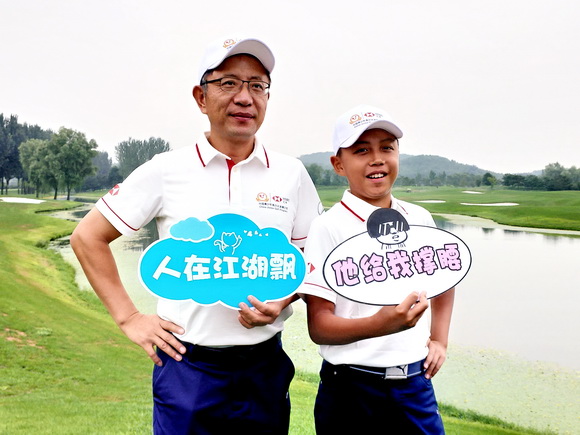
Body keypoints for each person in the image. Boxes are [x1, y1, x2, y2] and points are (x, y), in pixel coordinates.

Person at [70, 36, 321, 434]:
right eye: (229, 83)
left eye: (257, 86)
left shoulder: (291, 174)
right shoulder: (166, 169)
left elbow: (313, 260)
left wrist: (283, 298)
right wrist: (130, 317)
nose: (245, 97)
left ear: (267, 98)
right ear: (201, 97)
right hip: (188, 365)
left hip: (264, 366)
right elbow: (87, 237)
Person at [300, 104, 455, 434]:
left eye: (387, 148)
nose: (377, 159)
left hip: (414, 384)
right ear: (338, 164)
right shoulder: (327, 227)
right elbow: (319, 326)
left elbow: (446, 280)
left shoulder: (420, 218)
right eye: (361, 150)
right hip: (350, 388)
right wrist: (380, 324)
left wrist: (439, 340)